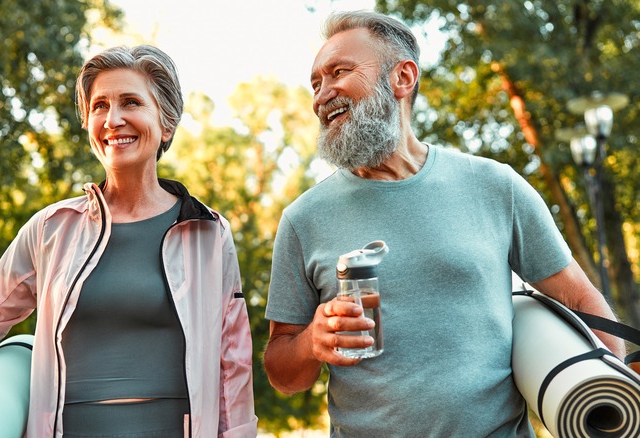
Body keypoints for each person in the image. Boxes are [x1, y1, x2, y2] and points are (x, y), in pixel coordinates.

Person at [263, 10, 625, 437]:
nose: (323, 95)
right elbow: (283, 374)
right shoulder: (303, 219)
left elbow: (582, 302)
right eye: (316, 83)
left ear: (403, 77)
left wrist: (612, 400)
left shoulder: (495, 185)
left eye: (339, 72)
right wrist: (311, 342)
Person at [0, 45, 258, 438]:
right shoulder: (50, 229)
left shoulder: (208, 232)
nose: (113, 119)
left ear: (166, 124)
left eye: (131, 102)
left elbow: (233, 362)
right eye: (99, 106)